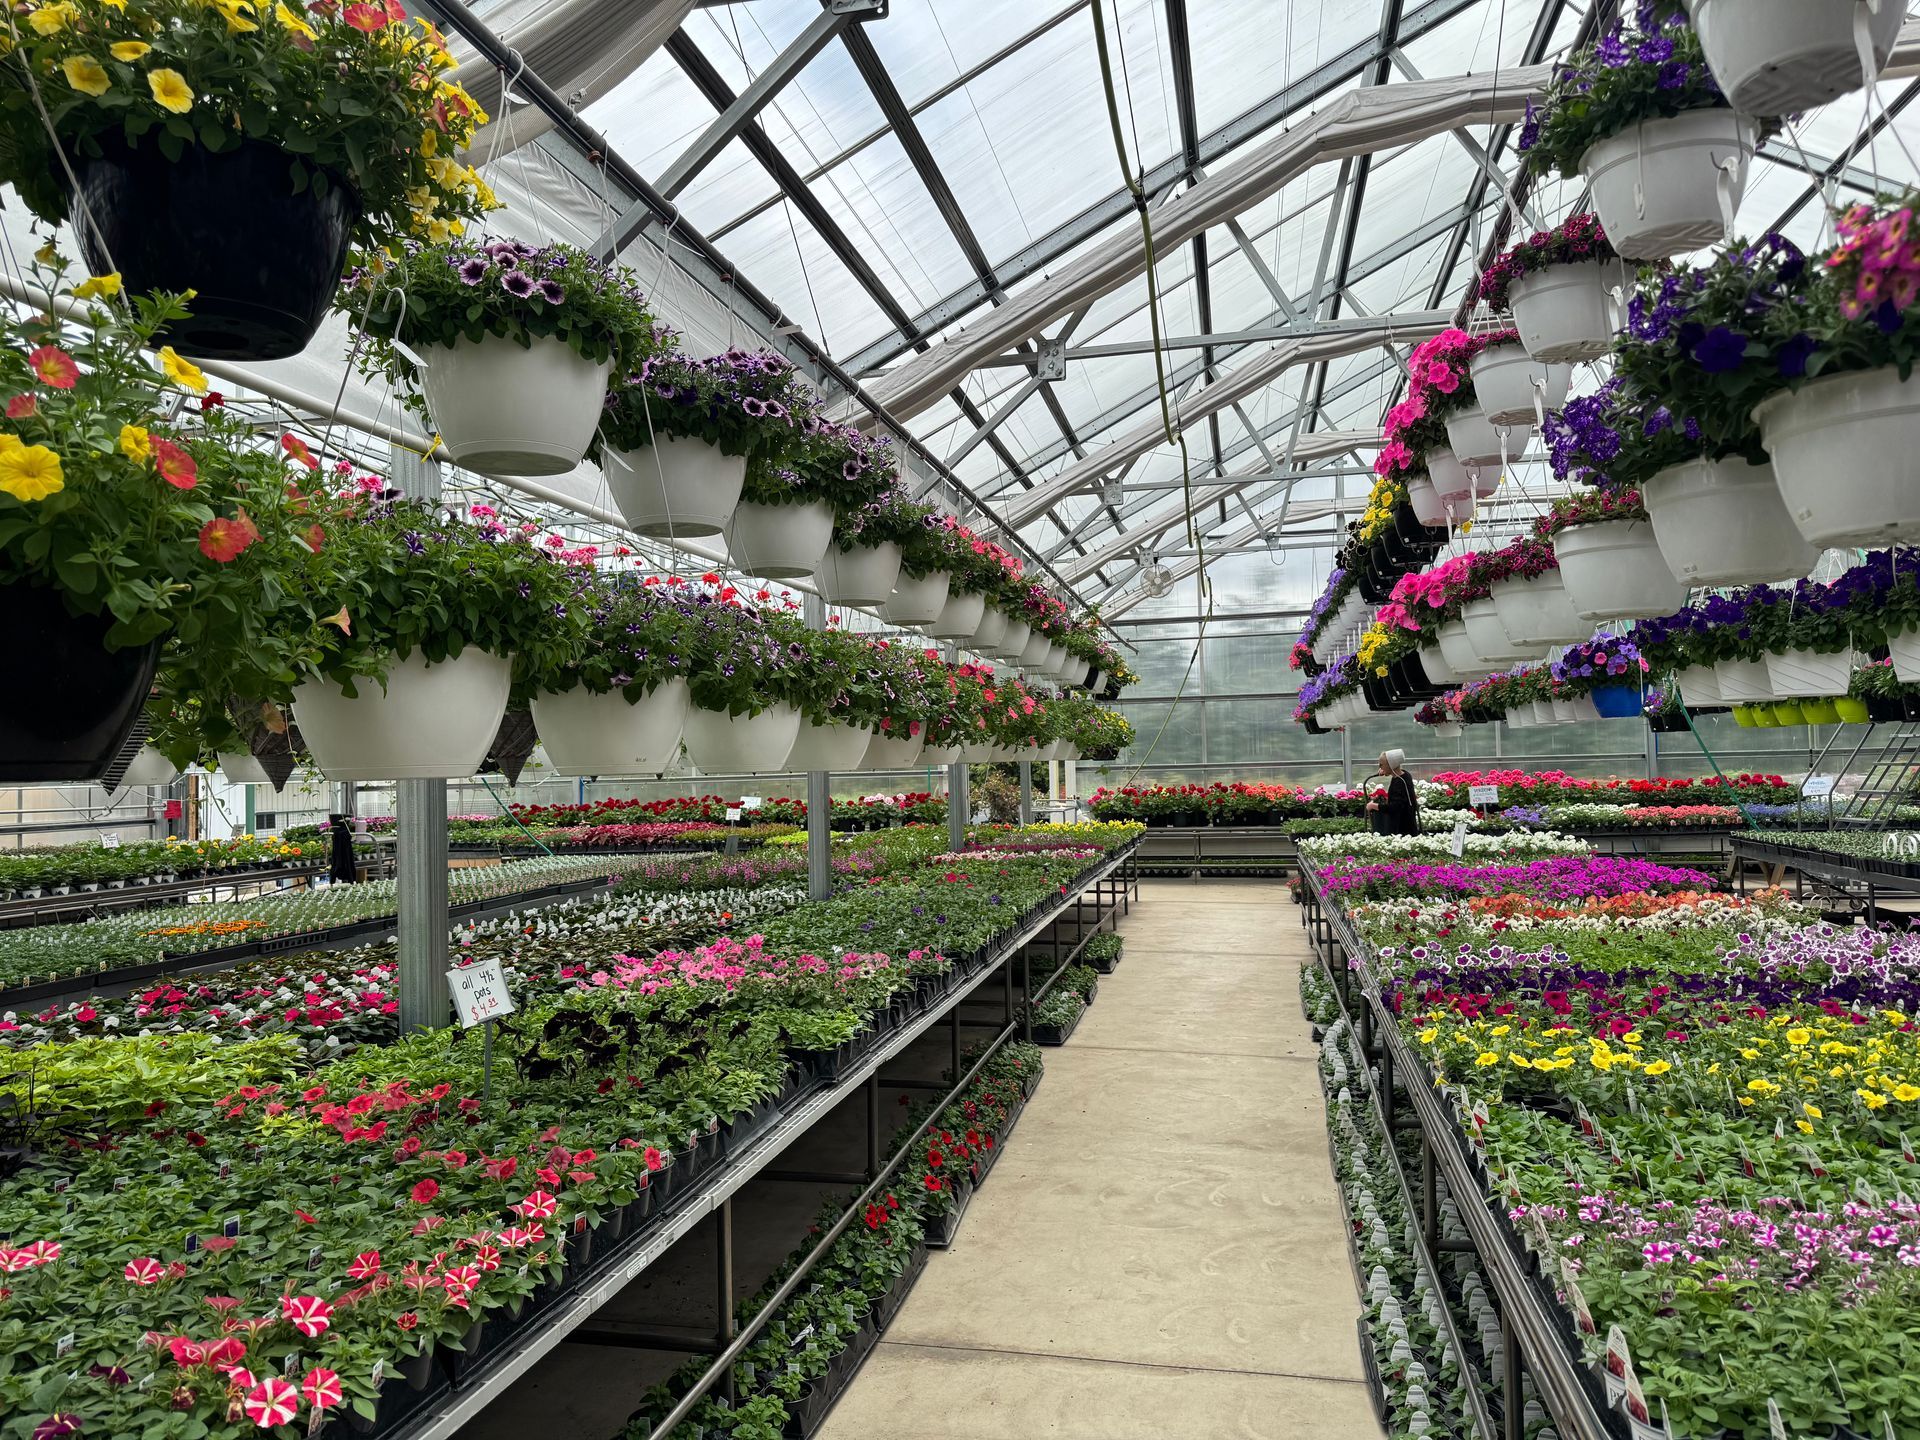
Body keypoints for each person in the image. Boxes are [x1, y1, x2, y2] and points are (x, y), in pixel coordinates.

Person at [1365, 750, 1419, 836]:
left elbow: (1395, 807)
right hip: (1409, 824)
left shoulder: (1399, 782)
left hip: (1402, 829)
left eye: (1381, 765)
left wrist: (1373, 806)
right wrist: (1387, 770)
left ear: (1390, 765)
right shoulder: (1405, 775)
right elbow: (1397, 770)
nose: (1379, 767)